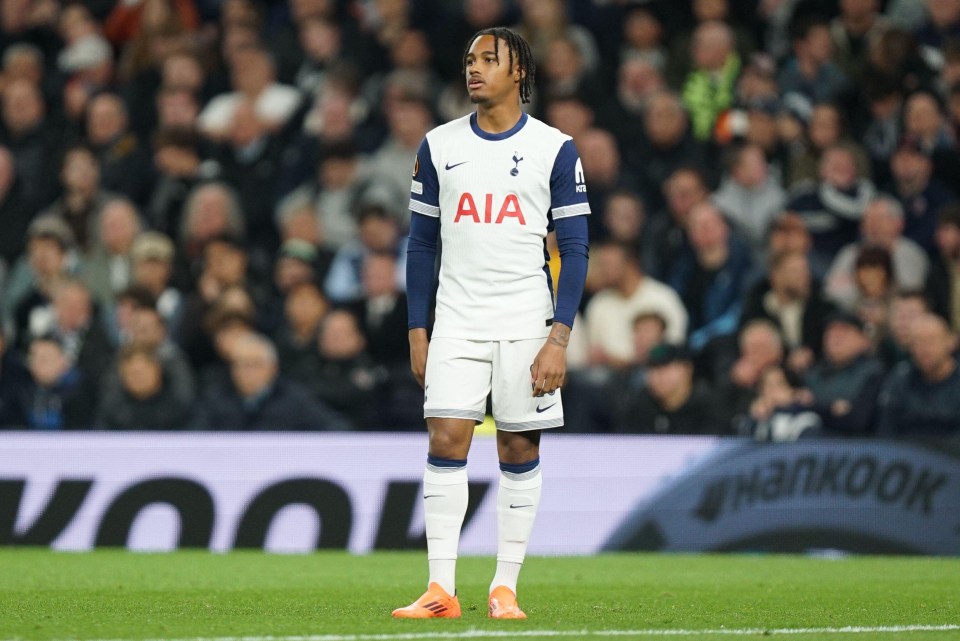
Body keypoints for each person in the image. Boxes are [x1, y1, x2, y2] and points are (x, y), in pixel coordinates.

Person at [394, 27, 589, 620]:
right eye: (469, 60)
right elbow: (421, 245)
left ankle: (505, 587)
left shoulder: (555, 149)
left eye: (488, 59)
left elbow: (576, 250)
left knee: (517, 445)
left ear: (519, 72)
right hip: (456, 318)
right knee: (445, 438)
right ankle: (440, 590)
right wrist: (416, 328)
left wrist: (559, 337)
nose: (473, 70)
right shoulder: (438, 144)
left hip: (527, 320)